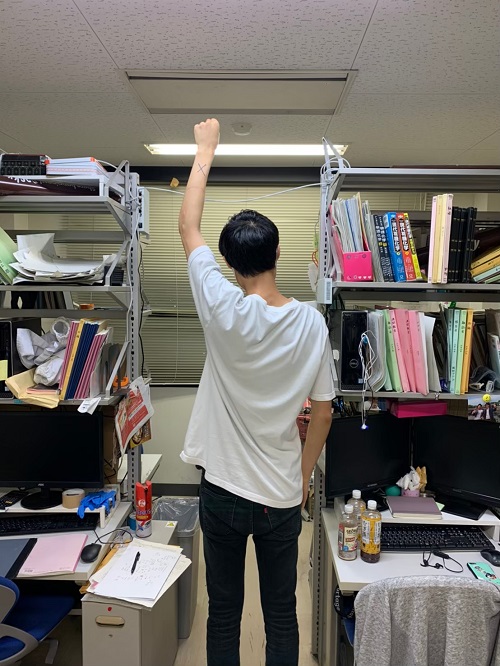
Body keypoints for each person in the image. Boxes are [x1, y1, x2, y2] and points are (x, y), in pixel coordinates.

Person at [178, 118, 334, 666]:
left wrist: (205, 150)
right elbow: (323, 413)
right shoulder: (312, 323)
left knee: (223, 613)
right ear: (277, 253)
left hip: (223, 488)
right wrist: (303, 475)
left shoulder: (220, 306)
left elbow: (188, 227)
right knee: (282, 613)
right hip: (280, 494)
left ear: (228, 263)